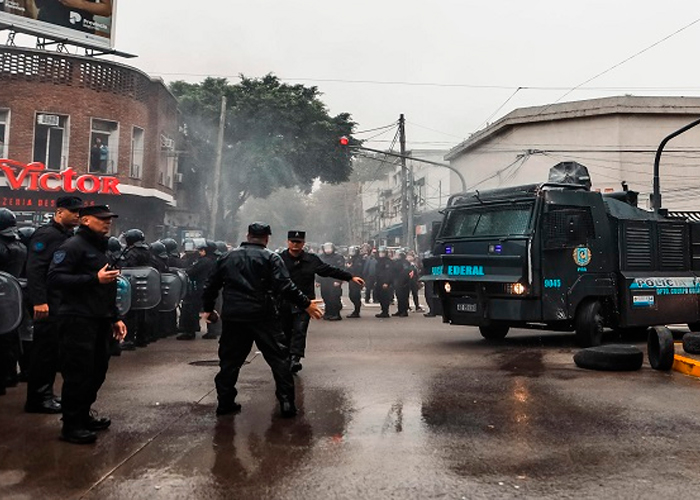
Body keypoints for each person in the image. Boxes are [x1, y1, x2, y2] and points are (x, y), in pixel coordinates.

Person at [201, 223, 323, 418]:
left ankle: (225, 402)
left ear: (248, 236)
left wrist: (208, 309)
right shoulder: (271, 258)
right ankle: (286, 403)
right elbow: (285, 286)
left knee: (230, 361)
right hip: (263, 315)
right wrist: (306, 303)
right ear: (267, 238)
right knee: (279, 359)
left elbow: (210, 286)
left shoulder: (227, 257)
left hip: (234, 315)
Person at [47, 204, 126, 444]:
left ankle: (83, 415)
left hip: (100, 318)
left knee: (97, 371)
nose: (107, 222)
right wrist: (94, 278)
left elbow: (107, 287)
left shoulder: (99, 246)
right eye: (102, 219)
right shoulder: (73, 246)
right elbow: (55, 278)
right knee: (78, 374)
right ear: (85, 220)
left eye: (109, 219)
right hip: (77, 319)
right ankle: (71, 425)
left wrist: (115, 317)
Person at [24, 195, 82, 413]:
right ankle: (38, 398)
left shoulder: (65, 235)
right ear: (59, 212)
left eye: (79, 212)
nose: (77, 216)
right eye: (73, 212)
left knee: (53, 351)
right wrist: (39, 301)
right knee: (44, 351)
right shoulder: (47, 235)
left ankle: (46, 393)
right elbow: (35, 269)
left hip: (59, 302)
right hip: (47, 303)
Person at [279, 231, 364, 373]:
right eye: (292, 241)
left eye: (298, 242)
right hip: (284, 301)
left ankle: (295, 359)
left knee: (300, 330)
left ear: (303, 243)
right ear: (287, 242)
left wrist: (349, 277)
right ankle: (286, 358)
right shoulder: (278, 259)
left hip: (305, 302)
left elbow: (328, 270)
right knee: (285, 331)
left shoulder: (310, 259)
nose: (295, 245)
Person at [0, 208, 28, 396]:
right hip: (13, 296)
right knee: (11, 336)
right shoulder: (21, 246)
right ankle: (9, 375)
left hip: (2, 292)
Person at [177, 240, 217, 340]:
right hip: (211, 288)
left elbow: (191, 272)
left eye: (201, 250)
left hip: (200, 289)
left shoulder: (204, 261)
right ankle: (212, 331)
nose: (199, 252)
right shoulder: (215, 260)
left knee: (192, 309)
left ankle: (190, 332)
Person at [317, 242, 346, 320]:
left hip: (334, 281)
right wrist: (318, 281)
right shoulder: (321, 257)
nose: (328, 250)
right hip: (324, 280)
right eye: (326, 248)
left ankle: (336, 314)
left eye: (329, 248)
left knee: (334, 297)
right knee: (325, 296)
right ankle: (328, 312)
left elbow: (341, 269)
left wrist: (338, 280)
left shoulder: (338, 257)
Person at [374, 246, 396, 318]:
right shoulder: (379, 261)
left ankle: (385, 311)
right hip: (379, 281)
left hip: (385, 282)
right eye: (380, 252)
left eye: (382, 252)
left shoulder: (388, 262)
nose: (381, 254)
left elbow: (389, 273)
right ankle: (383, 310)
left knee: (385, 297)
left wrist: (386, 282)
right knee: (379, 296)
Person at [345, 245, 365, 318]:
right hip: (352, 279)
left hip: (357, 279)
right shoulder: (351, 258)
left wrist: (350, 267)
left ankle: (357, 311)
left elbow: (358, 270)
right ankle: (356, 310)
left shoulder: (359, 259)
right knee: (352, 295)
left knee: (355, 296)